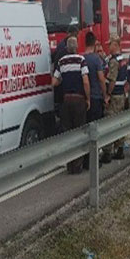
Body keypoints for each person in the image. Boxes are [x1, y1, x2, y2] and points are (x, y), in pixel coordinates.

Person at [52, 37, 90, 174]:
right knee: (79, 132)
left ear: (67, 48)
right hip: (79, 100)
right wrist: (88, 98)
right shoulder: (81, 60)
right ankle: (78, 165)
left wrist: (64, 79)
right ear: (77, 46)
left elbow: (54, 82)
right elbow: (85, 81)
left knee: (68, 133)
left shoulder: (61, 62)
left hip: (66, 100)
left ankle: (70, 165)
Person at [100, 35, 129, 163]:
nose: (108, 47)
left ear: (115, 45)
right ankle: (120, 148)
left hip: (114, 95)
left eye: (110, 44)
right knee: (120, 122)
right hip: (121, 95)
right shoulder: (122, 58)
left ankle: (107, 153)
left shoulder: (113, 61)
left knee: (109, 123)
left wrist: (107, 94)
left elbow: (112, 80)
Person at [83, 32, 107, 123]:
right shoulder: (97, 59)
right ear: (94, 44)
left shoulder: (82, 58)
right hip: (96, 96)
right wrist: (105, 96)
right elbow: (101, 79)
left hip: (85, 97)